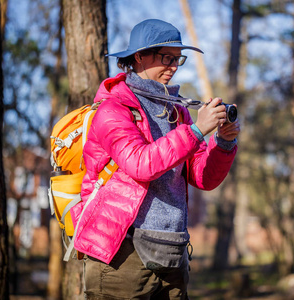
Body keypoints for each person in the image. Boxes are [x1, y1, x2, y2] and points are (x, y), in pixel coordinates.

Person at [70, 19, 240, 299]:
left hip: (171, 253)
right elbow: (140, 164)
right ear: (139, 57)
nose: (173, 67)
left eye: (178, 59)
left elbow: (203, 178)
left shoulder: (178, 111)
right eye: (166, 58)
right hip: (121, 257)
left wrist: (223, 142)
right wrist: (197, 130)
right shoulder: (112, 109)